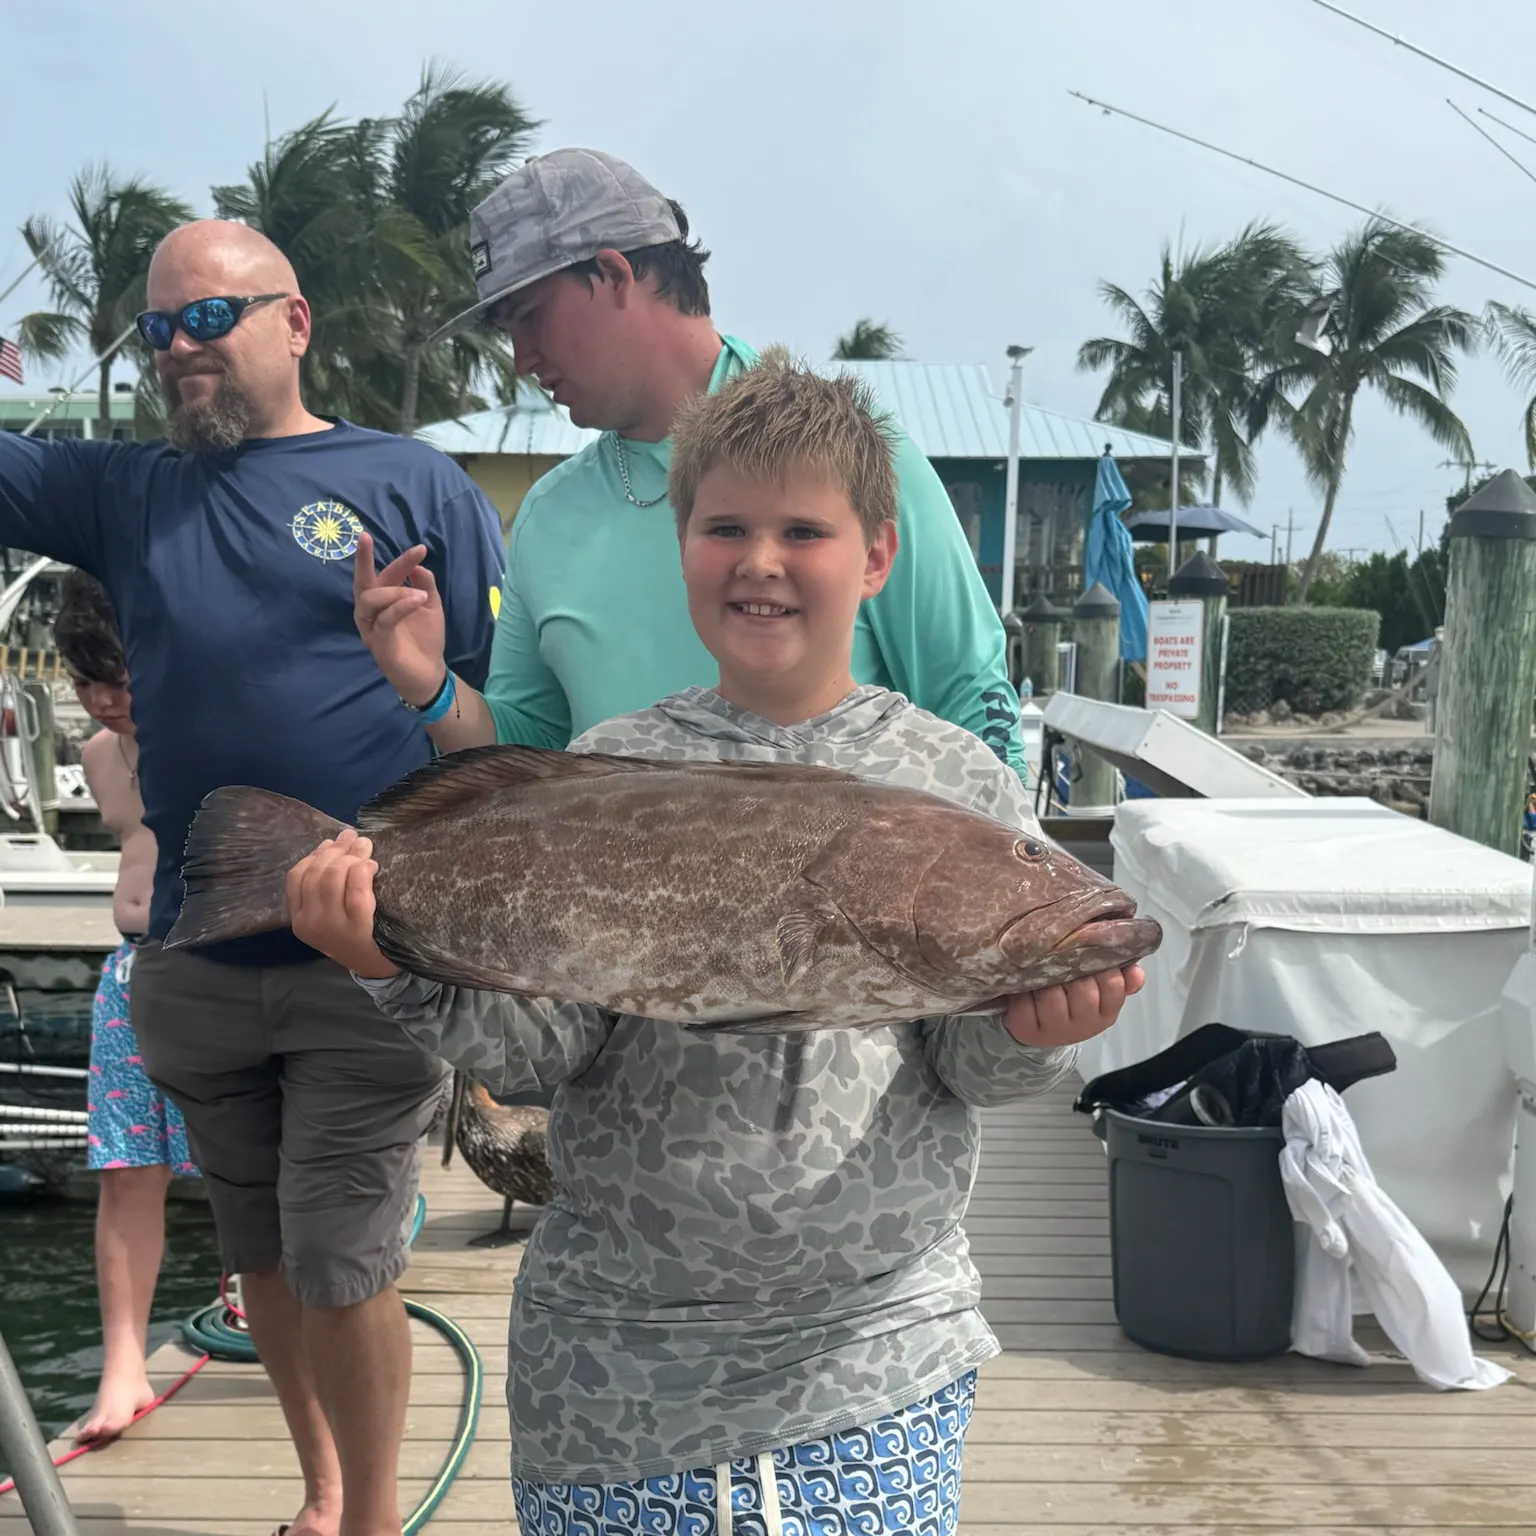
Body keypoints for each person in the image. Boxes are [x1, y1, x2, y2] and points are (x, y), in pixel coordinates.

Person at [290, 352, 1146, 1536]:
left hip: (876, 1354)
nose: (761, 560)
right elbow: (539, 1049)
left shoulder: (959, 779)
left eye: (806, 529)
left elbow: (969, 1069)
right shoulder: (609, 764)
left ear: (879, 555)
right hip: (615, 1365)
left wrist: (1035, 1032)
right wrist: (385, 962)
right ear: (680, 544)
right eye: (726, 527)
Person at [0, 220, 506, 1536]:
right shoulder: (129, 492)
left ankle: (378, 1517)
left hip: (365, 959)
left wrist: (429, 685)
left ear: (296, 323)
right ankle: (325, 1490)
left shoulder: (414, 483)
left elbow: (499, 741)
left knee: (341, 1258)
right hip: (196, 962)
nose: (181, 352)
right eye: (161, 329)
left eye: (209, 320)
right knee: (264, 1259)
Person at [351, 146, 1027, 782]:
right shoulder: (549, 514)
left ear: (614, 274)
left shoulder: (848, 457)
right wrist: (433, 687)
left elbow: (972, 706)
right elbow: (533, 755)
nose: (521, 359)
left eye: (530, 317)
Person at [54, 570, 200, 1443]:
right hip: (132, 972)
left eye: (120, 675)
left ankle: (269, 1308)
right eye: (85, 680)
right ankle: (122, 1365)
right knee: (123, 1171)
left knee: (255, 1166)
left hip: (217, 966)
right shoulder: (98, 755)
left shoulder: (212, 737)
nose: (105, 699)